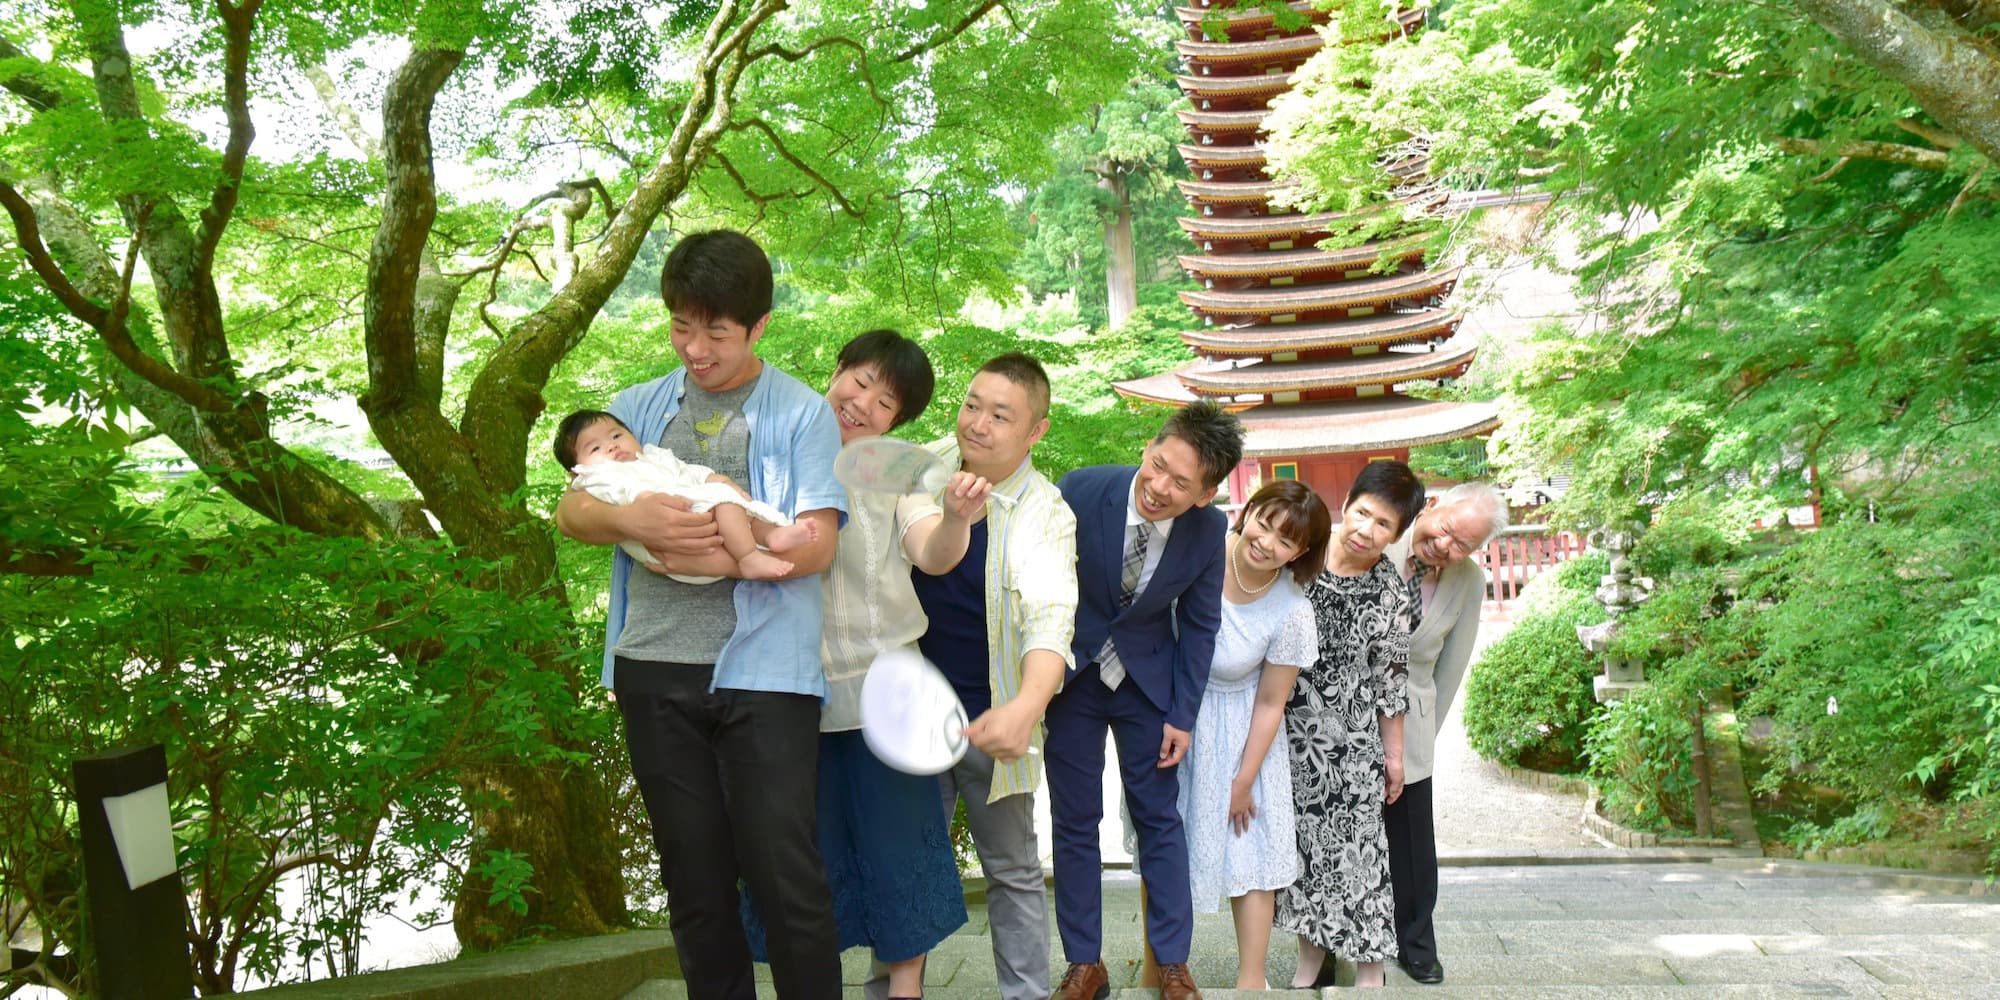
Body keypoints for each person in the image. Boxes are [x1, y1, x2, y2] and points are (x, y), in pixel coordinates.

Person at [555, 230, 844, 1000]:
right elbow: (571, 512)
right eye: (682, 327)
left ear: (758, 326)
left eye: (716, 332)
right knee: (695, 878)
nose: (696, 348)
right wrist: (636, 523)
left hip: (768, 674)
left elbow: (817, 543)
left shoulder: (802, 412)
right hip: (654, 667)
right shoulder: (632, 409)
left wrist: (716, 556)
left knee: (787, 875)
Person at [740, 330, 985, 1000]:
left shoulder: (897, 472)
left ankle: (905, 993)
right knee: (798, 851)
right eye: (862, 380)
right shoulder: (772, 447)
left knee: (904, 848)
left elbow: (932, 551)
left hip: (889, 686)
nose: (864, 403)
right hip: (792, 689)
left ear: (896, 423)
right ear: (837, 368)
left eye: (887, 401)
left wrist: (957, 518)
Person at [1045, 400, 1244, 1000]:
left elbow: (1202, 624)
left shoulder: (1210, 532)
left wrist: (1183, 716)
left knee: (1160, 822)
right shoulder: (1080, 490)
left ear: (1205, 494)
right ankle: (1085, 963)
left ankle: (1174, 964)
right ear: (1149, 448)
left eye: (1180, 482)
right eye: (1157, 464)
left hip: (1148, 688)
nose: (1158, 486)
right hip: (1073, 681)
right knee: (1075, 822)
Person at [911, 352, 1077, 1000]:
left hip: (993, 716)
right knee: (908, 863)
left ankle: (1027, 995)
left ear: (1035, 430)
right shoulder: (921, 468)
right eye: (971, 404)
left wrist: (1024, 709)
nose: (976, 424)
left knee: (1011, 869)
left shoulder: (1045, 514)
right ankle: (892, 990)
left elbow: (1049, 619)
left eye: (1000, 415)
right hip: (912, 711)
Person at [1177, 480, 1330, 990]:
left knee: (1251, 853)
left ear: (1300, 552)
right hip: (1177, 717)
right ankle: (1162, 969)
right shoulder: (1199, 552)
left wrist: (1243, 779)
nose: (1265, 542)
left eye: (1284, 541)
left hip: (1243, 731)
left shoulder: (1291, 607)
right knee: (1166, 843)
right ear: (1247, 510)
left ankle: (1251, 980)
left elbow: (1271, 702)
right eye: (1263, 523)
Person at [1277, 461, 1424, 990]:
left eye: (1383, 524)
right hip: (1289, 734)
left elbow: (1390, 679)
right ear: (1346, 504)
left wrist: (1395, 757)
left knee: (1363, 856)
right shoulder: (1302, 556)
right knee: (1303, 853)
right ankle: (1311, 961)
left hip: (1354, 741)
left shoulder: (1389, 587)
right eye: (1362, 512)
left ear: (1397, 534)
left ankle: (1371, 969)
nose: (1367, 529)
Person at [1382, 482, 1510, 986]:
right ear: (1432, 506)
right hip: (1345, 711)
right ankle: (1332, 940)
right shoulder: (1376, 540)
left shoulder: (1467, 581)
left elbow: (1451, 668)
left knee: (1412, 842)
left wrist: (1423, 741)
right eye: (1447, 531)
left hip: (1411, 717)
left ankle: (1415, 943)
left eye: (1464, 545)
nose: (1446, 547)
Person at [554, 408, 818, 581]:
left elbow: (688, 471)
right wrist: (636, 512)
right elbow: (570, 515)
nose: (611, 446)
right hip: (673, 546)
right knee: (725, 502)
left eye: (616, 435)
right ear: (577, 471)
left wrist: (715, 478)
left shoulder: (654, 458)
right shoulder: (599, 479)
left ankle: (772, 534)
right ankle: (748, 557)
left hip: (699, 518)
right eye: (596, 447)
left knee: (738, 504)